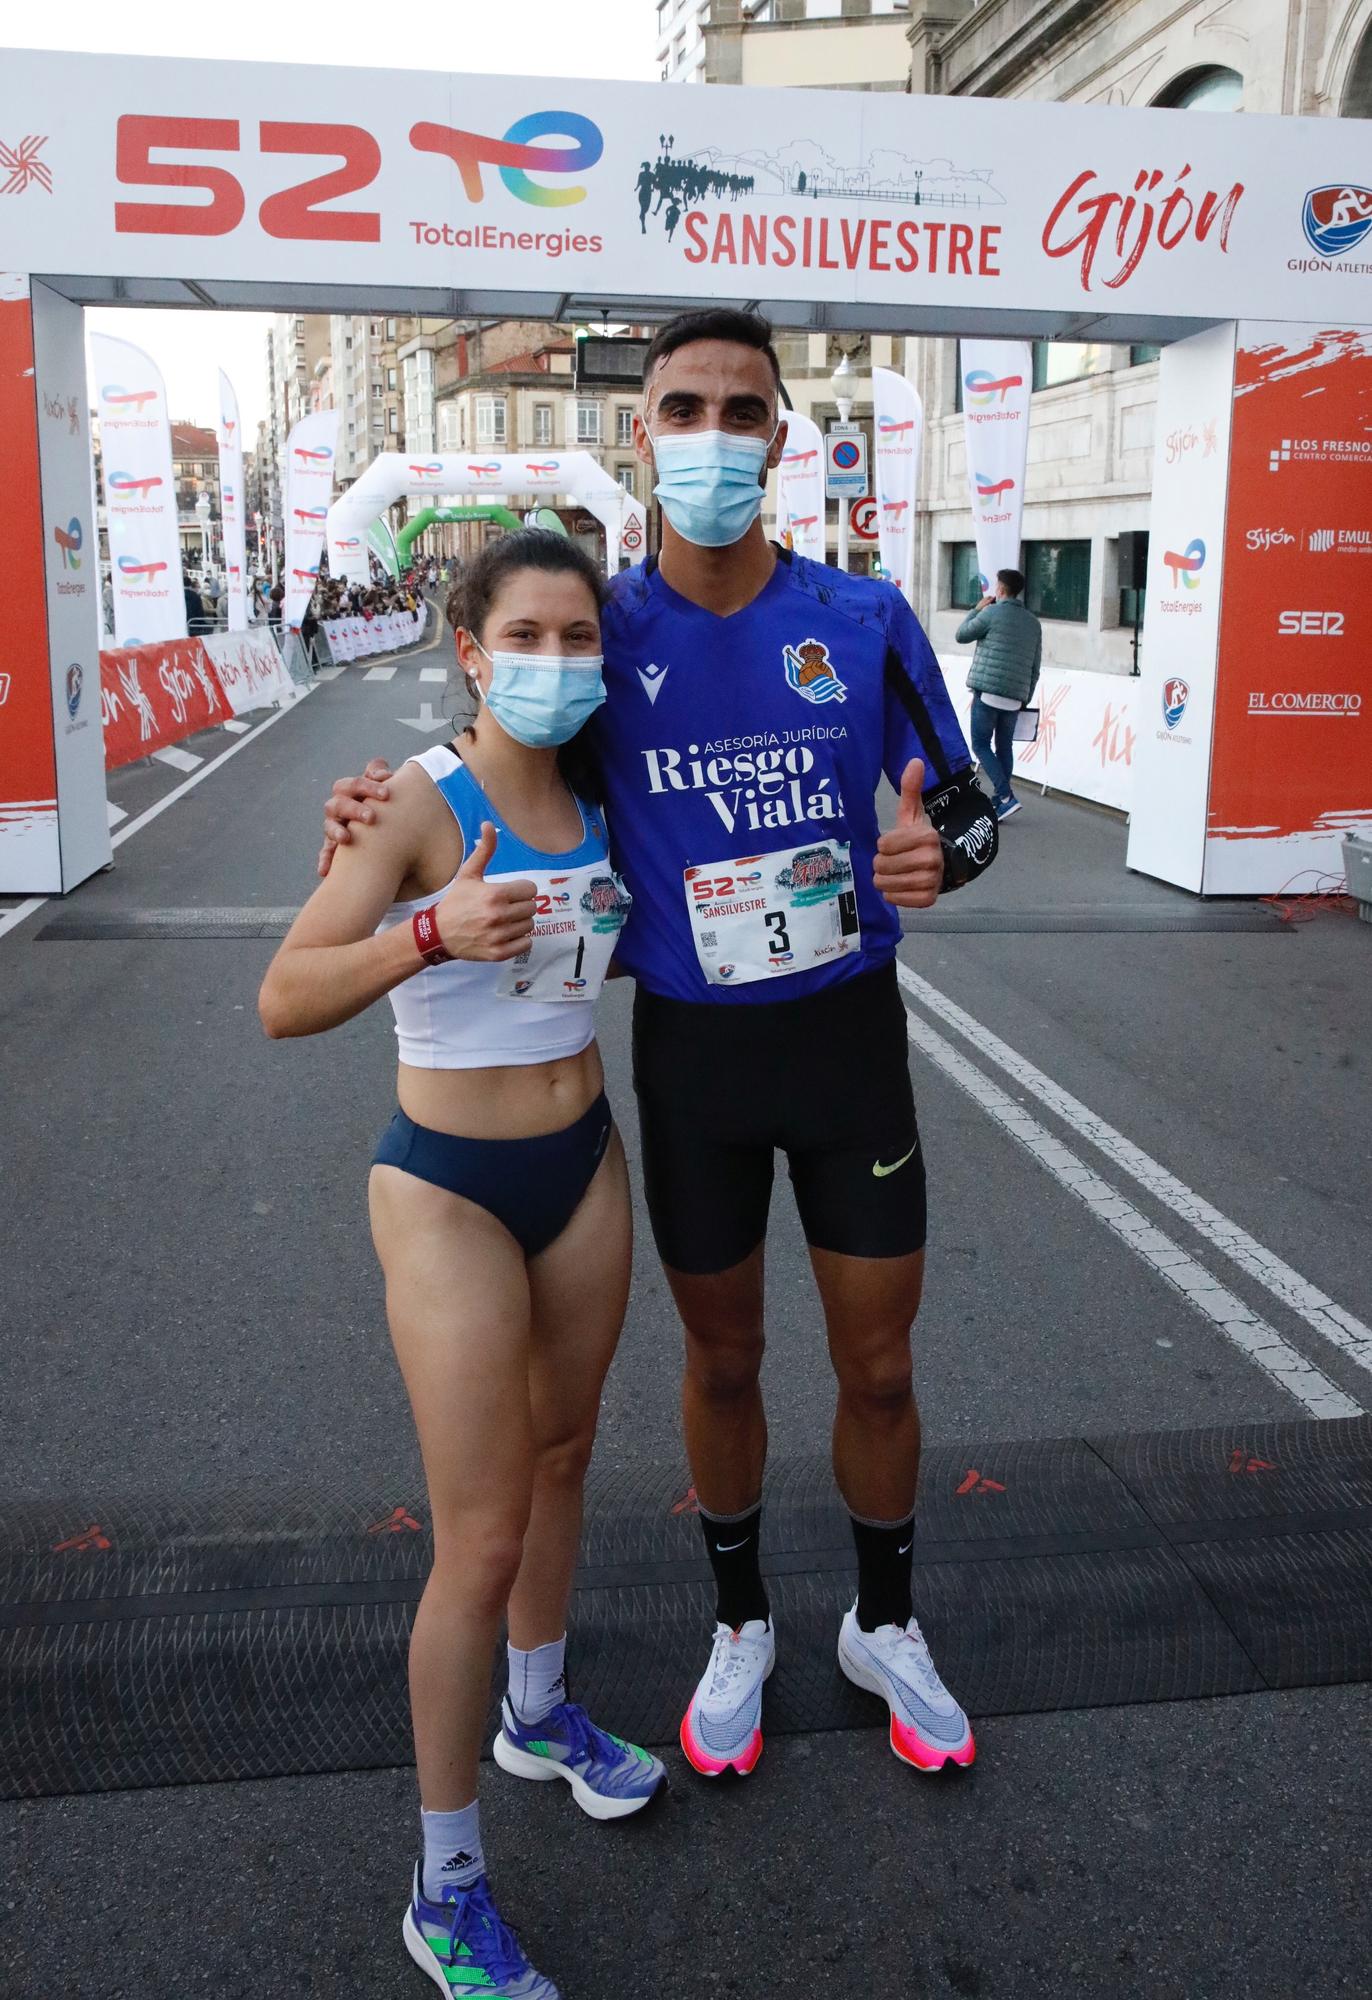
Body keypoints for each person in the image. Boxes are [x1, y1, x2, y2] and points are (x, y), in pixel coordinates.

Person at [320, 309, 998, 1789]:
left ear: (778, 437)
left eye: (738, 411)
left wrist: (935, 852)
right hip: (694, 1057)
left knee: (880, 1370)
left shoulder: (865, 617)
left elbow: (972, 806)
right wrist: (368, 818)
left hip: (849, 1047)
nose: (708, 435)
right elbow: (493, 770)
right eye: (681, 407)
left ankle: (885, 1622)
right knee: (725, 1358)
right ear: (646, 436)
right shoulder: (602, 634)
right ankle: (742, 1621)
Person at [260, 531, 663, 2000]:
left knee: (566, 1459)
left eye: (582, 637)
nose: (560, 662)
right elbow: (284, 992)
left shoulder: (612, 783)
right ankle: (445, 1887)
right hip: (446, 1188)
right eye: (530, 637)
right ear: (474, 651)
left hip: (582, 1160)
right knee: (477, 1538)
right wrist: (426, 930)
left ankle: (539, 1712)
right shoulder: (414, 800)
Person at [955, 567, 1042, 821]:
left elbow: (962, 635)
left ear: (1001, 589)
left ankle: (1005, 796)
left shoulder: (991, 613)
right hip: (1016, 696)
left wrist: (976, 609)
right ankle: (999, 802)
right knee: (1004, 747)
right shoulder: (1033, 623)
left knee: (980, 744)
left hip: (988, 692)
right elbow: (1035, 667)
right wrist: (1025, 696)